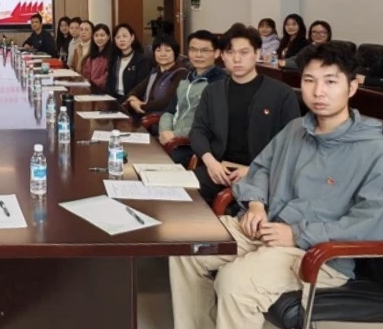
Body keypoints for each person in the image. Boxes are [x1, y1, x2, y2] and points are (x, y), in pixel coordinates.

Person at [169, 42, 383, 329]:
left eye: (330, 82)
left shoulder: (376, 153)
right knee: (187, 247)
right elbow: (261, 169)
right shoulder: (295, 129)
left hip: (318, 253)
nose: (318, 92)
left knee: (236, 282)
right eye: (309, 80)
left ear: (352, 87)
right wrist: (256, 204)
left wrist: (296, 234)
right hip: (265, 228)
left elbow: (369, 224)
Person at [189, 24, 301, 204]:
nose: (237, 59)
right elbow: (198, 130)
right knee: (179, 194)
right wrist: (210, 162)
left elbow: (292, 143)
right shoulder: (213, 91)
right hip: (218, 169)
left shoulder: (281, 93)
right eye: (230, 52)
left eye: (244, 52)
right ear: (222, 56)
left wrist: (254, 170)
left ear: (257, 54)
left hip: (262, 175)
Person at [158, 30, 227, 165]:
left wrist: (175, 135)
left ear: (217, 53)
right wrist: (165, 131)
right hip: (172, 140)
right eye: (193, 50)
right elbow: (170, 110)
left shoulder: (219, 83)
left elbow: (210, 124)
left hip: (192, 146)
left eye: (204, 50)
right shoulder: (186, 77)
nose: (198, 55)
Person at [124, 35, 188, 118]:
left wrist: (140, 106)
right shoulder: (156, 71)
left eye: (167, 50)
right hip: (146, 115)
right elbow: (135, 91)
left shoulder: (181, 73)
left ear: (175, 53)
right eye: (158, 50)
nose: (162, 54)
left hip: (165, 119)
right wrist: (132, 100)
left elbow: (166, 102)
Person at [106, 23, 152, 100]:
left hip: (131, 100)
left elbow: (140, 88)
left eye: (124, 36)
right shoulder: (114, 59)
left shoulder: (142, 60)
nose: (121, 40)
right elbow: (108, 84)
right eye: (118, 37)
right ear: (115, 41)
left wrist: (124, 101)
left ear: (132, 37)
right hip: (114, 99)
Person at [81, 23, 113, 88]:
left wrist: (93, 84)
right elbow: (86, 74)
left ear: (108, 37)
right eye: (96, 35)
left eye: (102, 35)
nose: (99, 38)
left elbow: (107, 76)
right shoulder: (91, 56)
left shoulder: (112, 55)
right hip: (90, 88)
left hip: (104, 90)